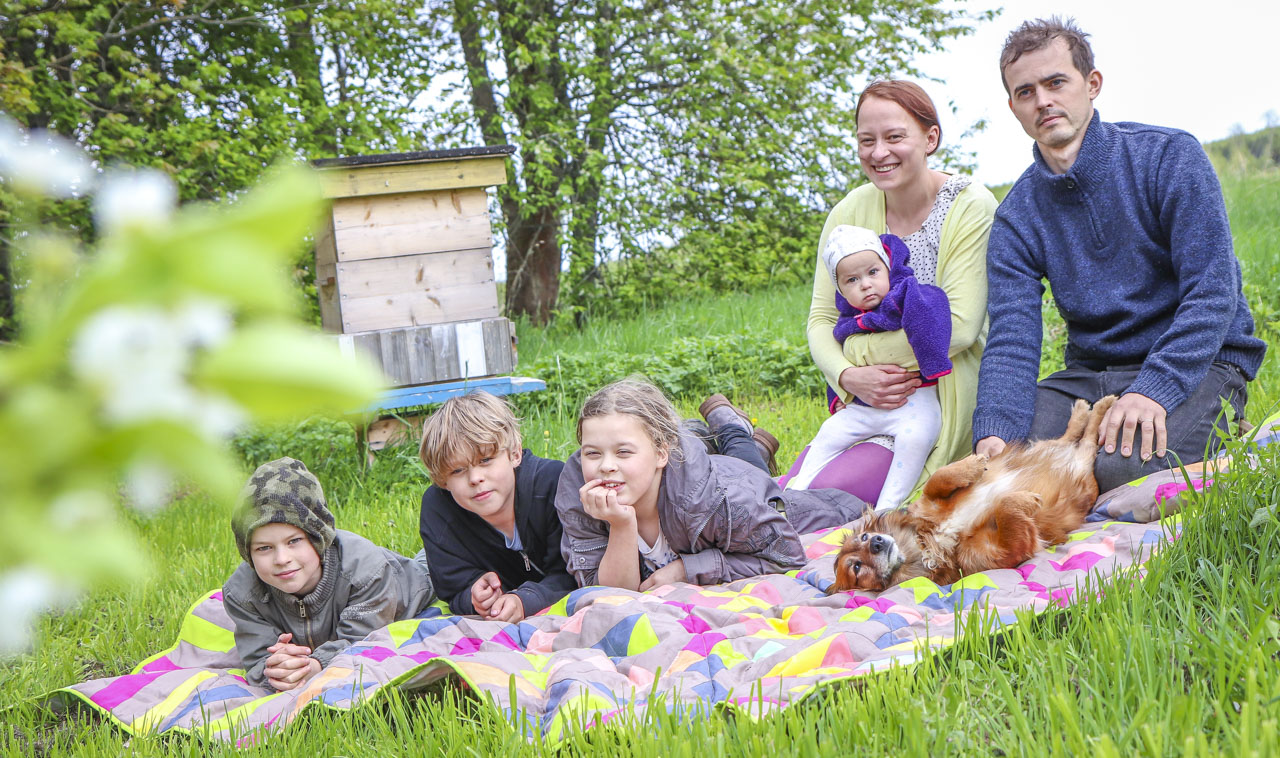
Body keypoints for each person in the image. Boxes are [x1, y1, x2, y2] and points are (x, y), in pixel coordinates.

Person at [972, 18, 1267, 492]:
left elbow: (1213, 293)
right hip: (1093, 377)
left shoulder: (1169, 157)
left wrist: (1154, 388)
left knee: (1116, 468)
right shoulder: (1016, 217)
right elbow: (1012, 339)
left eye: (1055, 83)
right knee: (1008, 468)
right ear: (1013, 107)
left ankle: (1236, 450)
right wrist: (993, 436)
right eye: (1026, 92)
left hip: (1200, 361)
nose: (1043, 100)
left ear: (1092, 85)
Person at [792, 80, 997, 504]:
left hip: (941, 398)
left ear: (930, 138)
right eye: (867, 141)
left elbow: (957, 328)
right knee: (794, 486)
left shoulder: (970, 205)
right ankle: (740, 444)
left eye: (895, 137)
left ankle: (741, 446)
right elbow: (820, 320)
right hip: (864, 401)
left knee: (828, 495)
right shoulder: (849, 212)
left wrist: (858, 356)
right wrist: (849, 378)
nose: (878, 152)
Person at [556, 379, 868, 591]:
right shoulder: (578, 496)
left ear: (661, 453)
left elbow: (786, 555)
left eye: (623, 452)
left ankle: (732, 428)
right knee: (743, 464)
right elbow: (611, 596)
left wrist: (686, 570)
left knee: (757, 474)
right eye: (592, 453)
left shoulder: (721, 498)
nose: (606, 465)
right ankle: (728, 438)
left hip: (764, 496)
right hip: (714, 472)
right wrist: (621, 525)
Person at [223, 458, 435, 691]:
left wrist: (315, 665)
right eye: (264, 548)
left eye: (294, 541)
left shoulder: (365, 571)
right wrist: (278, 668)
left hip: (414, 584)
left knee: (436, 562)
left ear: (319, 537)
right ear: (248, 553)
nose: (281, 559)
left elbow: (363, 642)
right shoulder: (241, 594)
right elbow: (257, 660)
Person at [788, 225, 949, 511]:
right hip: (865, 407)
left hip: (913, 400)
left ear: (888, 268)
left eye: (873, 272)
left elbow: (930, 316)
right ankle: (794, 490)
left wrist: (933, 360)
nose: (865, 284)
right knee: (830, 431)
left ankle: (888, 507)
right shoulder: (847, 320)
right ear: (841, 290)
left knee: (917, 438)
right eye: (852, 280)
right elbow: (840, 359)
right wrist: (838, 396)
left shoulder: (907, 295)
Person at [418, 391, 576, 621]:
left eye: (485, 460)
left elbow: (575, 572)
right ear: (443, 481)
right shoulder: (438, 510)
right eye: (458, 470)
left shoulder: (553, 484)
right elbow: (451, 588)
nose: (475, 478)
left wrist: (525, 600)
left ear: (514, 454)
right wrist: (474, 595)